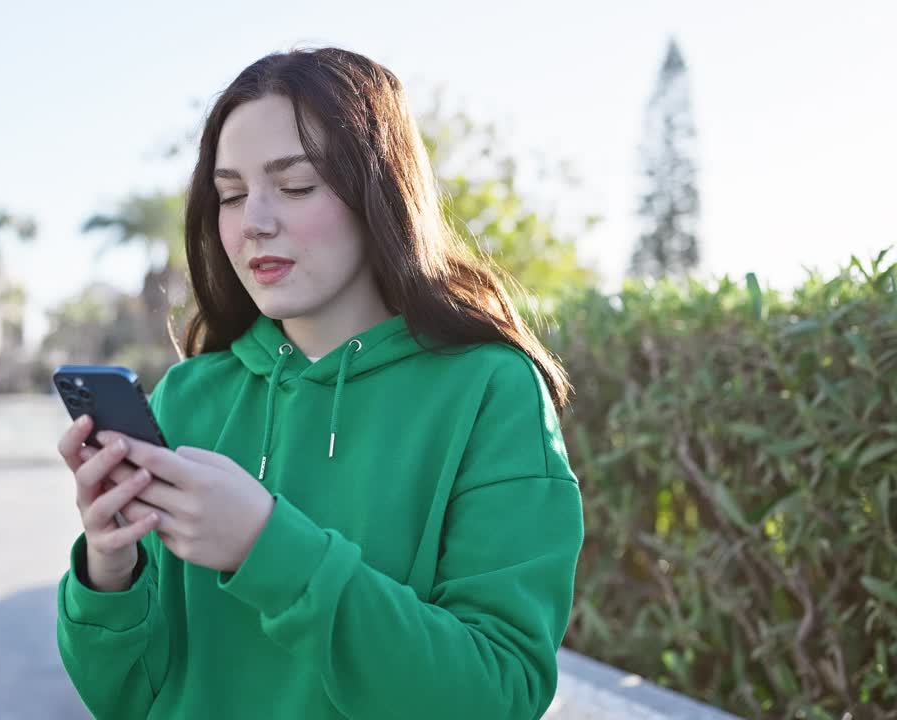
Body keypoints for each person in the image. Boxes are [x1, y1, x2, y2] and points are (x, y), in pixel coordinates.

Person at [55, 47, 584, 720]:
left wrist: (265, 547)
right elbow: (124, 698)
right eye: (232, 195)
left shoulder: (490, 392)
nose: (254, 222)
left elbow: (497, 694)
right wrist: (110, 569)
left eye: (296, 185)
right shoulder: (188, 396)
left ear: (379, 192)